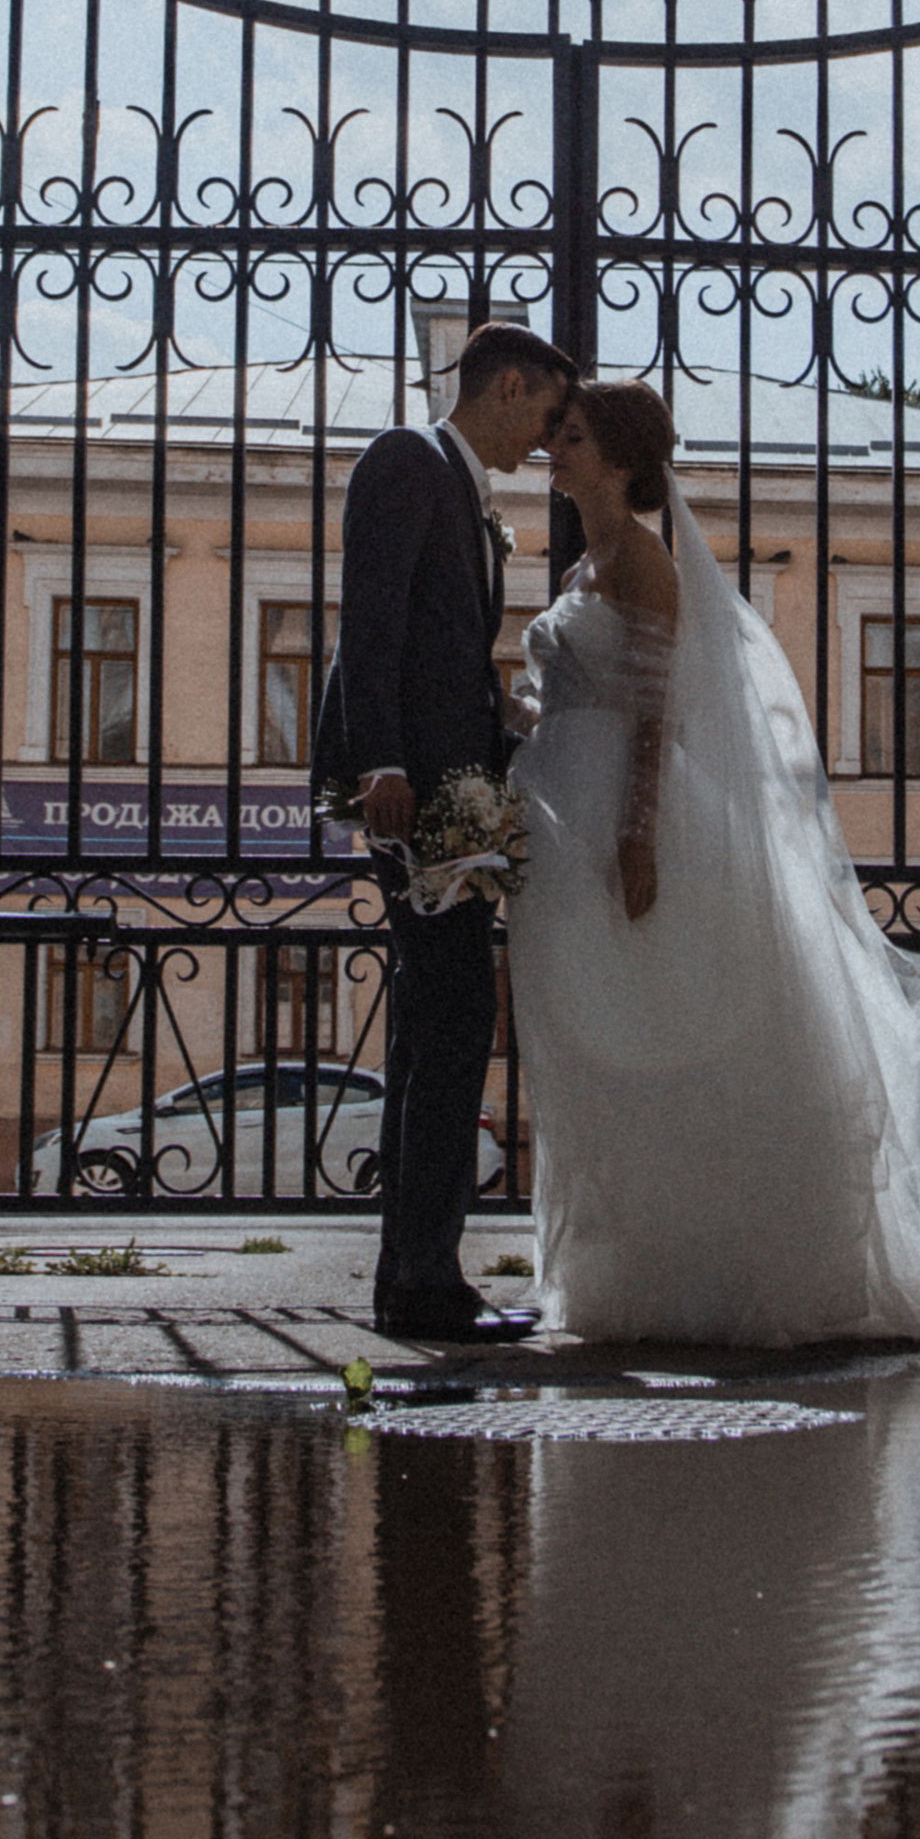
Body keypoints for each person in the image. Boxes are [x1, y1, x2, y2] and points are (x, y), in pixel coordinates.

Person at [509, 379, 920, 1346]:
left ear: (618, 459)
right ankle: (619, 1274)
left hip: (621, 819)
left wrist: (638, 832)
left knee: (660, 1033)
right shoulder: (586, 564)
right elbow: (587, 694)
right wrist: (521, 717)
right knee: (595, 1046)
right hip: (565, 817)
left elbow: (657, 711)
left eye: (571, 436)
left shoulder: (644, 560)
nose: (553, 449)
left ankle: (703, 1274)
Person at [312, 318, 576, 1340]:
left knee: (438, 1024)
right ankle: (424, 1280)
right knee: (456, 1019)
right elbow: (369, 618)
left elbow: (441, 653)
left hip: (445, 783)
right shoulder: (407, 459)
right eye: (546, 415)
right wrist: (379, 761)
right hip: (414, 791)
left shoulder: (459, 487)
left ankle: (413, 1277)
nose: (546, 442)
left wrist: (512, 720)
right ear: (507, 386)